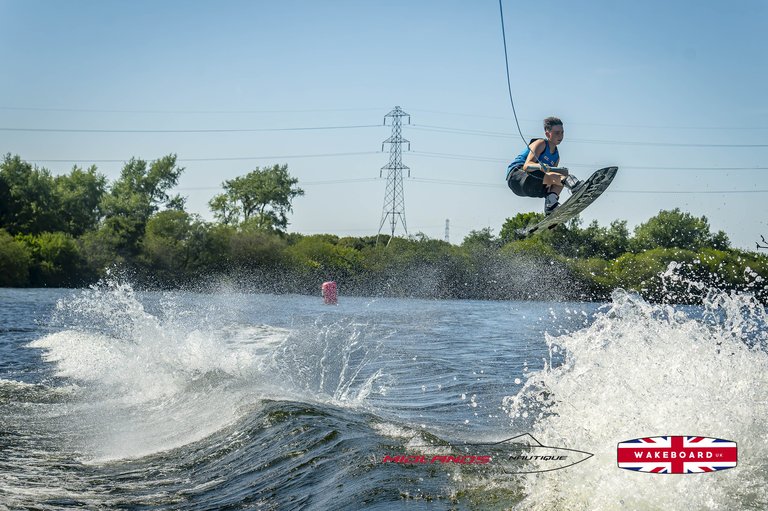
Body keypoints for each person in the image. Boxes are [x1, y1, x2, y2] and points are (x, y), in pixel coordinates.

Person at [506, 116, 581, 215]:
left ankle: (550, 206)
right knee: (562, 178)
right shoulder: (541, 143)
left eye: (562, 132)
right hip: (517, 177)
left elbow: (551, 181)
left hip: (531, 186)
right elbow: (526, 166)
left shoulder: (556, 157)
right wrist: (540, 166)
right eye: (557, 133)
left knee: (560, 181)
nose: (560, 136)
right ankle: (575, 186)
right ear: (547, 134)